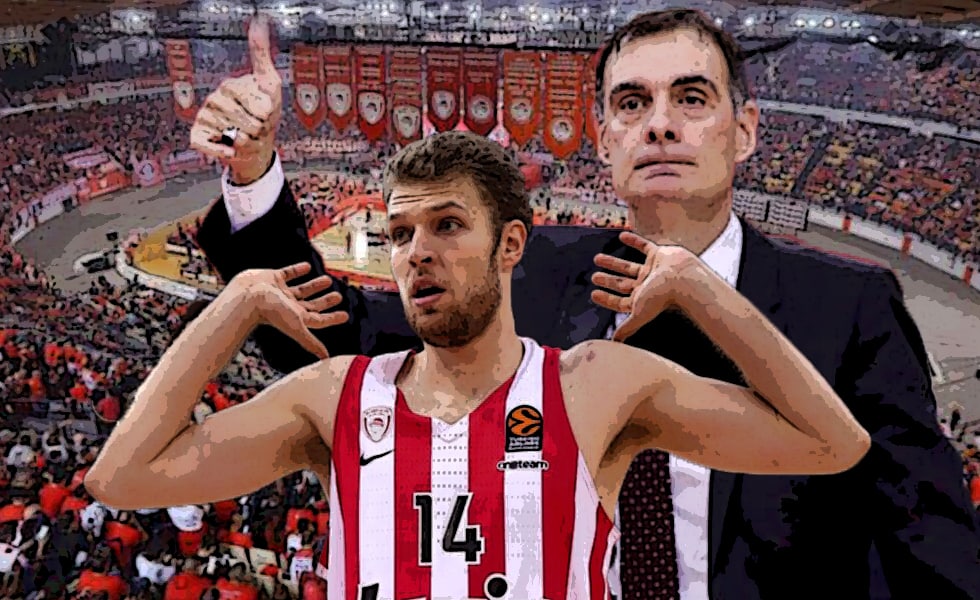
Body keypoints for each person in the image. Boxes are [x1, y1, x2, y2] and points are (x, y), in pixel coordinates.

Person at [190, 11, 980, 600]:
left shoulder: (848, 308)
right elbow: (334, 337)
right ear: (603, 140)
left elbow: (930, 545)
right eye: (632, 104)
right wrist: (253, 178)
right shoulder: (528, 272)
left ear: (744, 132)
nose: (660, 124)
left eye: (691, 98)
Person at [85, 131, 871, 600]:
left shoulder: (593, 383)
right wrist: (236, 303)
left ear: (510, 245)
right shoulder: (333, 395)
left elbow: (832, 443)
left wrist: (700, 288)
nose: (416, 252)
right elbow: (122, 477)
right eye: (400, 234)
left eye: (448, 225)